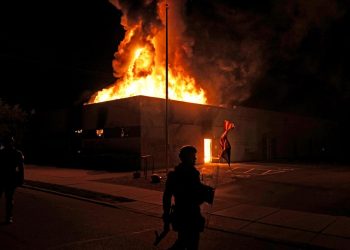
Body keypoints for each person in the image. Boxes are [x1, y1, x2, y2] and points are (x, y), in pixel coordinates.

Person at [162, 145, 214, 250]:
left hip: (181, 214)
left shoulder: (174, 175)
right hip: (190, 214)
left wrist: (166, 216)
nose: (195, 158)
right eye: (193, 156)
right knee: (189, 244)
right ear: (185, 158)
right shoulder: (191, 174)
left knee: (183, 242)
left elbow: (166, 197)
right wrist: (206, 193)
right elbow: (194, 193)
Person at [0, 135, 24, 224]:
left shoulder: (17, 153)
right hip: (4, 177)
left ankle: (9, 217)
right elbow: (21, 168)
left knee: (9, 198)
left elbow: (21, 168)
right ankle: (9, 217)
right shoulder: (16, 153)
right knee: (9, 198)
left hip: (9, 178)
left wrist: (21, 179)